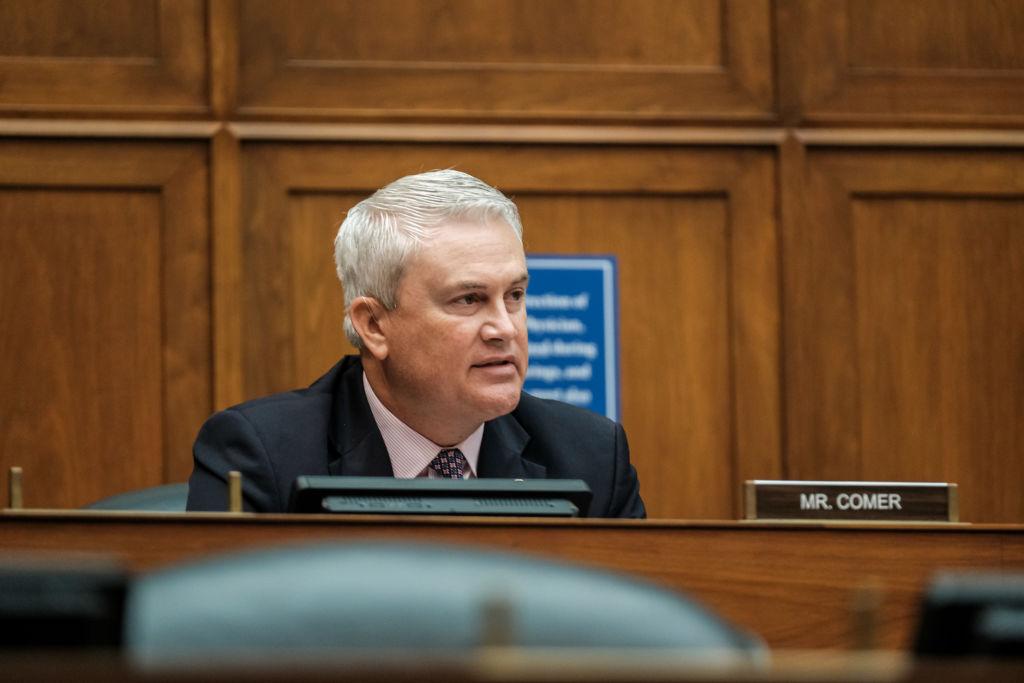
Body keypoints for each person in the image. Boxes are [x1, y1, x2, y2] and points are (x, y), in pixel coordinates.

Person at [187, 170, 645, 517]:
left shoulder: (591, 455)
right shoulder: (262, 454)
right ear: (374, 325)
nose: (505, 328)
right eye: (469, 299)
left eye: (515, 296)